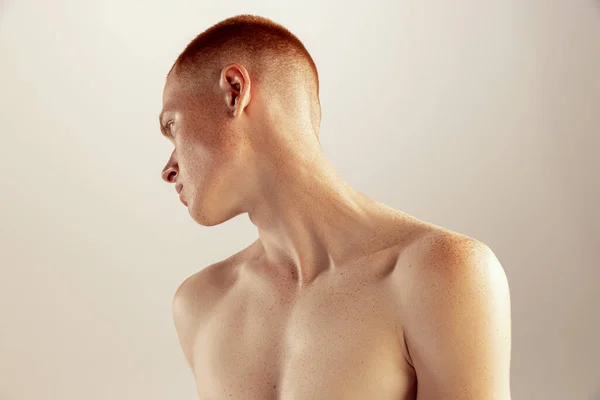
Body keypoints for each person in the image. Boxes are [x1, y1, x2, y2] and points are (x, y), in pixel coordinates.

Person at [159, 14, 512, 400]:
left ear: (234, 90)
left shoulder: (440, 274)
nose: (168, 168)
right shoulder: (200, 305)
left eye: (172, 126)